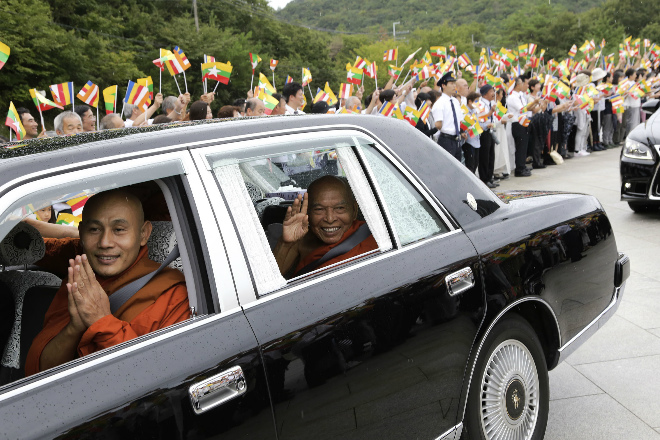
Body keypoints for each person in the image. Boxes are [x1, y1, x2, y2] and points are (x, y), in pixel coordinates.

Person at [25, 189, 190, 376]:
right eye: (94, 230)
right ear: (81, 233)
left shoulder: (172, 295)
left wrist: (102, 322)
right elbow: (38, 372)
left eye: (119, 230)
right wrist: (74, 328)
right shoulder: (81, 282)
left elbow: (159, 379)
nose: (105, 242)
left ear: (144, 233)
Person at [273, 175, 377, 279]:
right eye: (319, 209)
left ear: (354, 211)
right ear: (308, 212)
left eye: (339, 208)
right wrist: (285, 243)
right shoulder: (301, 240)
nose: (330, 219)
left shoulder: (374, 241)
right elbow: (270, 280)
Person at [432, 72, 465, 161]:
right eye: (451, 83)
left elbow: (459, 120)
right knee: (447, 166)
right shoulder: (440, 103)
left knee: (457, 166)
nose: (454, 86)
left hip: (456, 139)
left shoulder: (455, 101)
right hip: (446, 139)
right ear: (443, 85)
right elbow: (438, 124)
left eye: (454, 83)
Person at [508, 76, 533, 177]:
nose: (523, 85)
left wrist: (534, 104)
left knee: (524, 146)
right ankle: (519, 169)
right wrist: (534, 103)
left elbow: (526, 109)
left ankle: (522, 165)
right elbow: (522, 109)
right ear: (517, 85)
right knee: (520, 146)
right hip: (517, 123)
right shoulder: (512, 97)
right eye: (522, 83)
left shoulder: (521, 95)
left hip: (524, 121)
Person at [478, 85, 497, 187]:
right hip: (483, 131)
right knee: (484, 156)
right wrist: (490, 112)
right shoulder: (480, 104)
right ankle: (484, 179)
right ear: (485, 94)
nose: (493, 93)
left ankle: (490, 177)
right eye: (491, 91)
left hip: (490, 130)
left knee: (491, 155)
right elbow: (481, 117)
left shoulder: (491, 103)